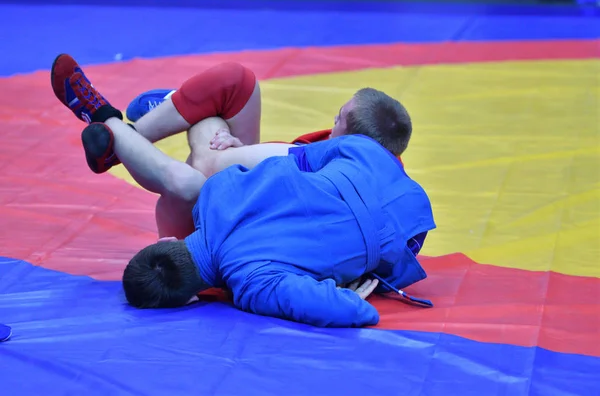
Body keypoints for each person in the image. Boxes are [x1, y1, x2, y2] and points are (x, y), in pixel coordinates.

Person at [51, 53, 435, 327]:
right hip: (273, 195)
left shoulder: (251, 278)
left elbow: (353, 311)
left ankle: (124, 123)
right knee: (206, 153)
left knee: (193, 174)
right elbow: (275, 174)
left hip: (393, 226)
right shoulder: (239, 244)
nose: (330, 124)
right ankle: (143, 121)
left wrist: (347, 294)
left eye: (337, 119)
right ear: (165, 240)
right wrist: (247, 156)